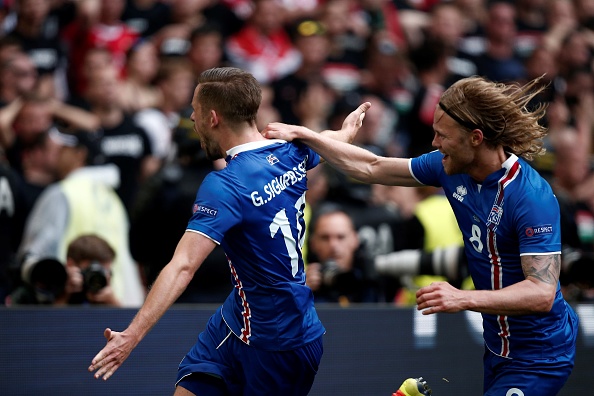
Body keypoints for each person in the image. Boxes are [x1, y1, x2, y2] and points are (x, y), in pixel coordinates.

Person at [263, 75, 579, 396]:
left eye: (443, 135)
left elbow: (541, 294)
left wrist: (462, 297)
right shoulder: (449, 166)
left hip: (540, 354)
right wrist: (306, 135)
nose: (435, 143)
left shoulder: (529, 196)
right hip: (498, 348)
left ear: (475, 138)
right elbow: (371, 167)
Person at [88, 67, 371, 395]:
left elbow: (183, 266)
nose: (191, 120)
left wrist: (131, 336)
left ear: (212, 118)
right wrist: (346, 130)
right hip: (235, 317)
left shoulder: (225, 185)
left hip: (278, 341)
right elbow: (333, 141)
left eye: (194, 112)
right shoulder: (291, 150)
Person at [17, 127, 145, 307]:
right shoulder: (112, 199)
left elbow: (32, 261)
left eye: (64, 149)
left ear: (80, 154)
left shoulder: (61, 193)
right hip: (111, 308)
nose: (57, 155)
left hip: (68, 308)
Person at [9, 233, 121, 306]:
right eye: (90, 271)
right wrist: (63, 296)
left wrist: (112, 303)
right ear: (70, 265)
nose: (96, 278)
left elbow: (126, 335)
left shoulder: (106, 299)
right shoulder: (45, 289)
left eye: (104, 272)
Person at [306, 204, 383, 304]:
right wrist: (300, 295)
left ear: (355, 240)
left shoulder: (369, 282)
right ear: (313, 243)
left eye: (341, 237)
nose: (333, 245)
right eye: (325, 238)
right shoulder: (303, 285)